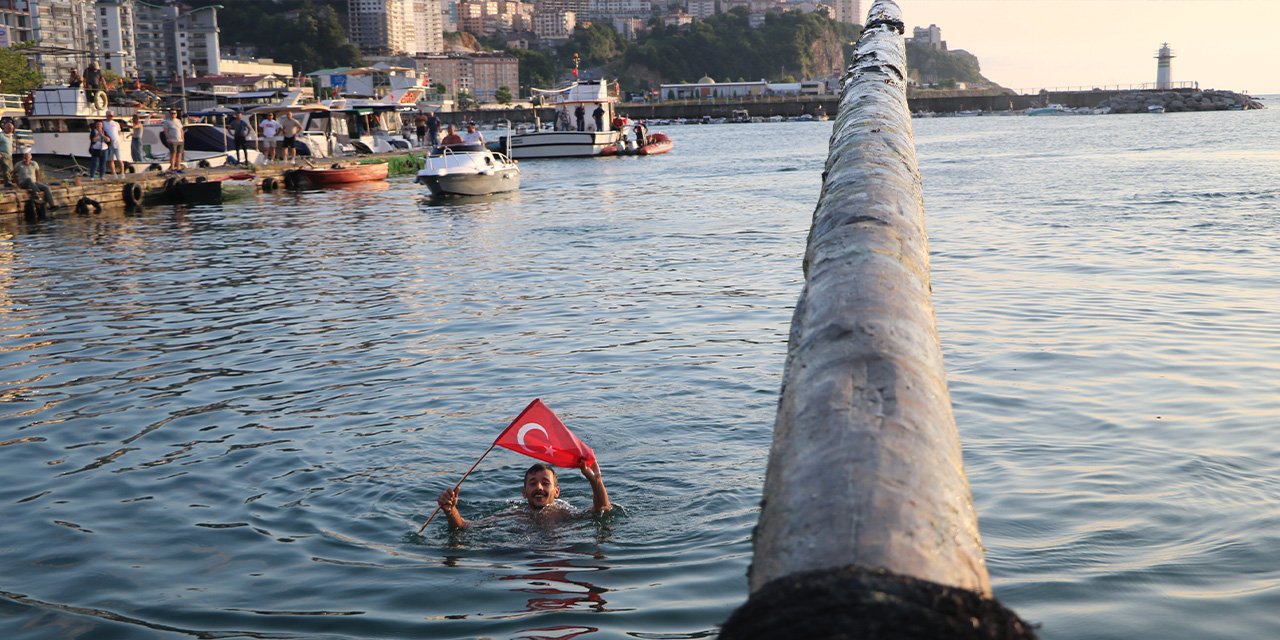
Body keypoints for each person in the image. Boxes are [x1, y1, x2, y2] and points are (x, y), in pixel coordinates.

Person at [436, 460, 612, 530]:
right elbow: (466, 527)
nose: (539, 487)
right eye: (533, 483)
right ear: (524, 492)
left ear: (556, 492)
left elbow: (602, 510)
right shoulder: (514, 513)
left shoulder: (564, 513)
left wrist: (596, 482)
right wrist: (451, 510)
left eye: (545, 483)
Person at [101, 111, 122, 176]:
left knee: (119, 159)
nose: (111, 117)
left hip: (117, 143)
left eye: (112, 116)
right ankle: (114, 172)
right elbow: (100, 130)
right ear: (106, 116)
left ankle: (122, 172)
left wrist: (118, 139)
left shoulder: (116, 123)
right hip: (109, 143)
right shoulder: (103, 123)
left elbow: (119, 132)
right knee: (111, 159)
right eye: (109, 116)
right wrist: (105, 137)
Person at [0, 120, 14, 188]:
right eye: (9, 128)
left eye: (12, 128)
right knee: (6, 169)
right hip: (3, 154)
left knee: (10, 169)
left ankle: (9, 181)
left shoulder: (10, 136)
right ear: (5, 128)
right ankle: (7, 183)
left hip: (9, 155)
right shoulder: (1, 135)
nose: (11, 130)